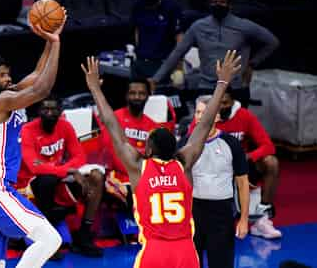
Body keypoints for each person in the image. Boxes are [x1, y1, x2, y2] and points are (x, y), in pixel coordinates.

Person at [81, 50, 241, 268]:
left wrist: (95, 90)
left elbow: (112, 126)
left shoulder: (139, 167)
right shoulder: (183, 163)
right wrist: (222, 82)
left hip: (155, 250)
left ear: (147, 150)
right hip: (185, 249)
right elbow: (204, 125)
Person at [0, 14, 66, 268]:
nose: (8, 79)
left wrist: (52, 41)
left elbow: (38, 72)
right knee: (50, 239)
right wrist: (59, 46)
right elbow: (41, 90)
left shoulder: (10, 93)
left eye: (8, 74)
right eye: (1, 76)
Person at [148, 0, 279, 107]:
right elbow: (177, 53)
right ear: (210, 4)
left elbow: (272, 42)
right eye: (215, 2)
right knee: (205, 130)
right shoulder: (198, 27)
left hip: (235, 88)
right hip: (207, 87)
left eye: (222, 2)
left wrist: (252, 63)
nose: (218, 5)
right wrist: (156, 78)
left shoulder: (244, 26)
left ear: (229, 5)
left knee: (235, 131)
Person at [17, 95, 104, 257]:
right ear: (39, 112)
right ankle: (46, 240)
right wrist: (69, 171)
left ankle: (84, 235)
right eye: (45, 109)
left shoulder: (65, 126)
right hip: (31, 182)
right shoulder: (28, 130)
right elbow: (34, 166)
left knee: (97, 177)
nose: (49, 113)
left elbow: (80, 156)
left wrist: (68, 171)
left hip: (58, 176)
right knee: (47, 181)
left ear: (60, 111)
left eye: (53, 109)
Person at [180, 94, 249, 268]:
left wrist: (244, 219)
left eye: (206, 112)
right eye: (198, 112)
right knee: (191, 263)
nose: (201, 117)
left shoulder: (231, 144)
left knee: (221, 264)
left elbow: (242, 183)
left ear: (217, 116)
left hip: (221, 213)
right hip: (193, 211)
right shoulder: (184, 144)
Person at [218, 89, 281, 238]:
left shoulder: (244, 116)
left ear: (233, 102)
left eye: (225, 103)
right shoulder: (206, 115)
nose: (221, 107)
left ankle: (262, 219)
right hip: (215, 169)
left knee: (271, 163)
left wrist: (248, 156)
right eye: (218, 103)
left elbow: (268, 146)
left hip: (241, 167)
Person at [100, 79, 159, 206]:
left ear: (149, 95)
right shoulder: (114, 119)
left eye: (142, 93)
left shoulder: (153, 126)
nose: (137, 97)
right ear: (126, 95)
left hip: (143, 178)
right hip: (117, 177)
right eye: (133, 93)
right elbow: (111, 154)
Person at [130, 0, 183, 80]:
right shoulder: (137, 6)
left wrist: (179, 66)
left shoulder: (172, 6)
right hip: (141, 62)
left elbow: (179, 37)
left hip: (163, 64)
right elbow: (137, 31)